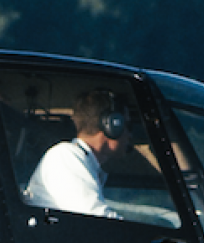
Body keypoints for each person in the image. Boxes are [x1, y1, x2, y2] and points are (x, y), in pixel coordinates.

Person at [24, 89, 132, 218]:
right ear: (112, 125)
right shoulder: (65, 156)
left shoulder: (85, 163)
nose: (130, 134)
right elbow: (96, 218)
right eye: (127, 125)